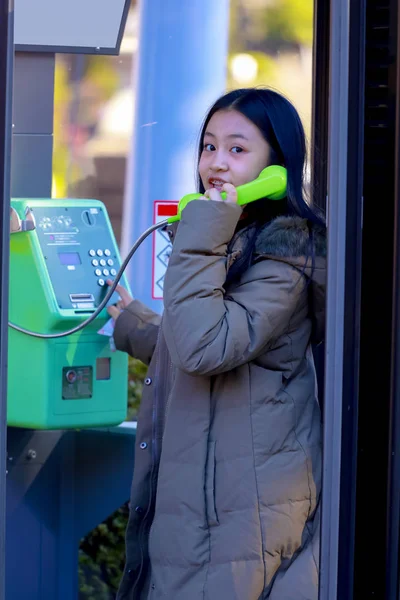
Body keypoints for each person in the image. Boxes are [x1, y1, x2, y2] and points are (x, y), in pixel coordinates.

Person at [108, 87, 326, 600]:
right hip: (207, 493)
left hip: (242, 506)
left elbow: (208, 346)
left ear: (278, 166)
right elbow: (200, 333)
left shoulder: (287, 254)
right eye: (209, 147)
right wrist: (136, 325)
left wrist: (202, 226)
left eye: (237, 149)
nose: (217, 164)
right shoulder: (228, 237)